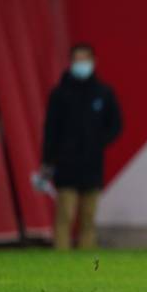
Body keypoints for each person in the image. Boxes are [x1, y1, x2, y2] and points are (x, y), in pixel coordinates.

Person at [41, 43, 122, 250]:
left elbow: (115, 125)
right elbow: (50, 130)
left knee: (88, 217)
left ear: (93, 62)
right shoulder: (60, 94)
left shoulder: (103, 93)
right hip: (66, 163)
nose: (81, 64)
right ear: (70, 63)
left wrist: (98, 142)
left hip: (92, 164)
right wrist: (48, 161)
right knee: (65, 215)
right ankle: (61, 258)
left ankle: (86, 263)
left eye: (85, 59)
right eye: (77, 60)